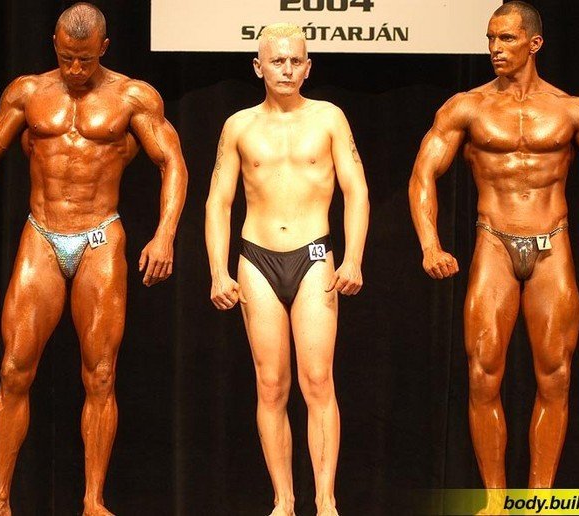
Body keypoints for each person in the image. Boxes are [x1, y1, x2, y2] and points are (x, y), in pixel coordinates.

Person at [0, 3, 188, 515]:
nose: (76, 69)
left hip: (100, 236)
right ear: (54, 45)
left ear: (104, 48)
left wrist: (165, 234)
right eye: (66, 58)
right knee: (14, 369)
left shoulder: (132, 96)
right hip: (42, 233)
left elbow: (171, 160)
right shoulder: (27, 92)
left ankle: (93, 502)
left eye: (85, 59)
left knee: (100, 374)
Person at [409, 1, 579, 513]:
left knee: (556, 374)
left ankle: (538, 500)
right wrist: (430, 244)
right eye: (490, 38)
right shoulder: (466, 107)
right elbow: (424, 175)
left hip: (553, 243)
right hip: (494, 242)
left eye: (506, 39)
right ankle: (494, 501)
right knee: (482, 372)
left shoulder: (573, 110)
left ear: (534, 44)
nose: (494, 48)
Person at [205, 23, 369, 516]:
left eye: (296, 61)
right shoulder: (238, 125)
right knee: (271, 385)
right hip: (256, 256)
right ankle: (283, 501)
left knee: (317, 380)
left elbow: (356, 190)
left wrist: (354, 257)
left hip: (315, 254)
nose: (287, 69)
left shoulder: (329, 118)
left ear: (308, 67)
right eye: (277, 61)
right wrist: (217, 271)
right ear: (259, 67)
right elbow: (218, 201)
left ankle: (325, 501)